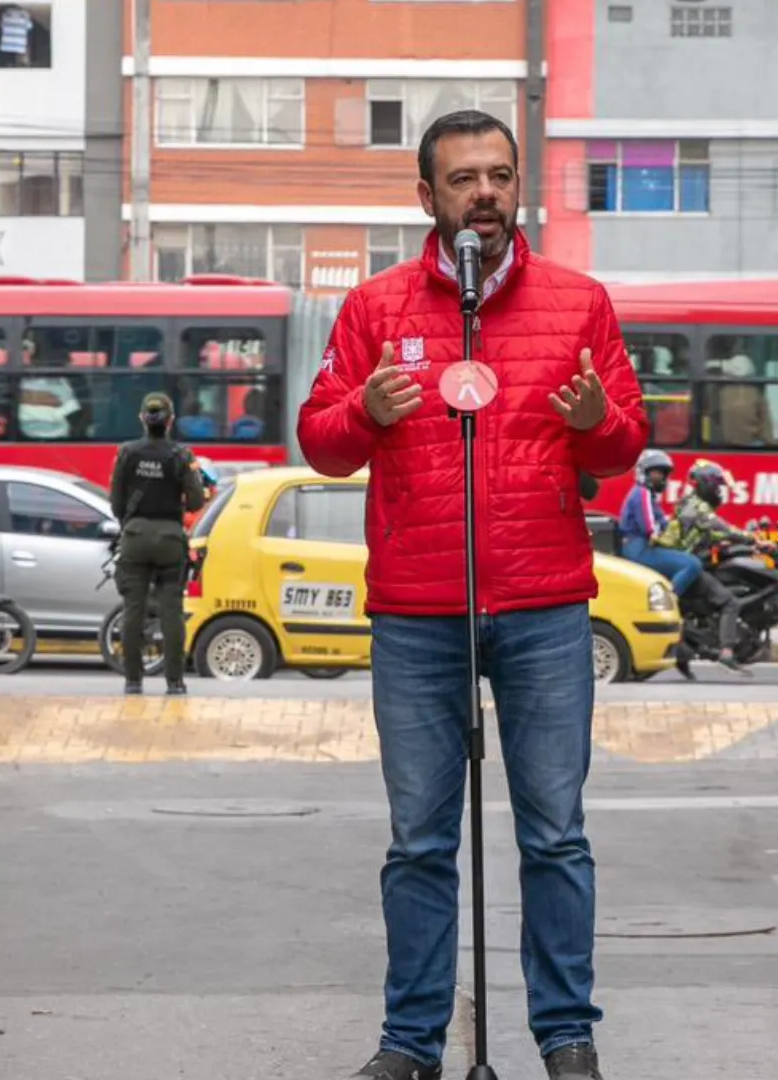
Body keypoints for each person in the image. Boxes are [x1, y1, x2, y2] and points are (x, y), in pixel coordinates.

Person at [296, 108, 646, 1080]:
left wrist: (598, 420)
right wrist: (364, 409)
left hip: (543, 608)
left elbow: (622, 445)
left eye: (499, 175)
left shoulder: (580, 303)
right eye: (464, 179)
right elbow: (320, 444)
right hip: (418, 613)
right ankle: (411, 1044)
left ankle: (567, 1036)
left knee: (556, 835)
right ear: (428, 197)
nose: (485, 194)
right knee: (418, 842)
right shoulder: (375, 309)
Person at [108, 391, 205, 695]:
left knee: (133, 611)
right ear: (170, 421)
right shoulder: (181, 455)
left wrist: (132, 525)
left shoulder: (127, 453)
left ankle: (132, 681)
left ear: (142, 419)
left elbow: (116, 503)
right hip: (170, 540)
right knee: (171, 612)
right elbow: (196, 501)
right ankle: (175, 682)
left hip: (135, 539)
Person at [656, 459, 770, 675]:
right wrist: (752, 539)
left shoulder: (692, 503)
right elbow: (721, 527)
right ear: (706, 484)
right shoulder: (696, 507)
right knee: (730, 602)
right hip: (686, 565)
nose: (719, 491)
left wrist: (735, 543)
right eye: (717, 486)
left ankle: (686, 652)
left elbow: (710, 533)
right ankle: (726, 653)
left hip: (687, 562)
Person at [616, 449, 701, 595]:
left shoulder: (646, 494)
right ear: (644, 472)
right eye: (657, 472)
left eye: (663, 473)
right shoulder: (642, 493)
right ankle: (668, 600)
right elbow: (649, 527)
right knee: (692, 564)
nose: (661, 477)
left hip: (639, 547)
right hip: (639, 550)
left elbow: (662, 522)